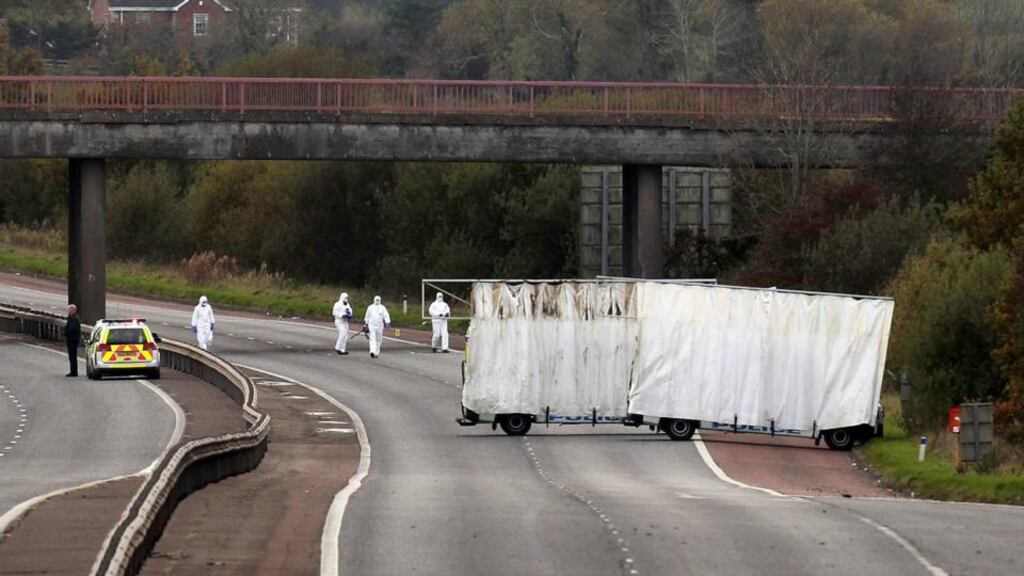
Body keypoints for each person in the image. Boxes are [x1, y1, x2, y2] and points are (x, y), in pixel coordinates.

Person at [64, 304, 80, 377]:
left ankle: (74, 371)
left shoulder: (74, 319)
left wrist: (66, 333)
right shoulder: (72, 318)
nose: (68, 312)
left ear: (73, 310)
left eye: (69, 310)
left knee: (72, 356)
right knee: (72, 356)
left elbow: (72, 329)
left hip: (72, 340)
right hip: (72, 339)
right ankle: (73, 371)